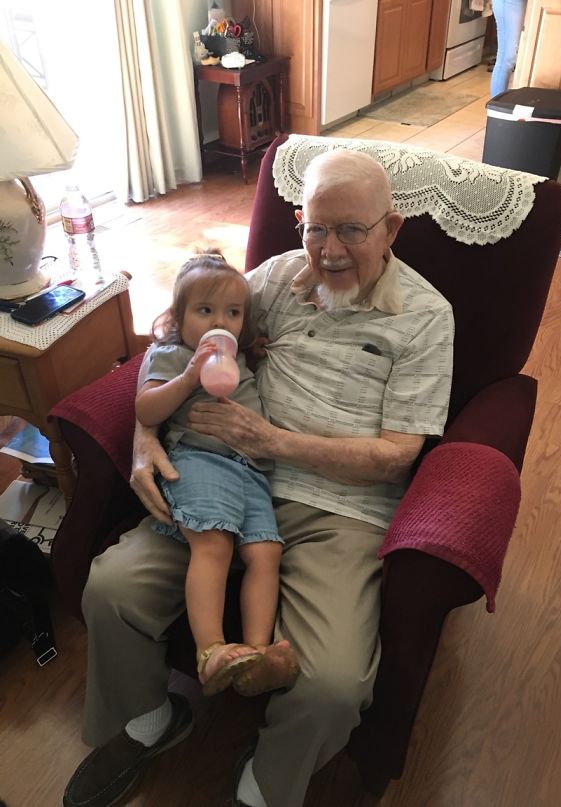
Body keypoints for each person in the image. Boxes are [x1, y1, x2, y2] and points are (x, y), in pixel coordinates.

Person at [63, 148, 454, 807]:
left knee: (331, 682)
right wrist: (142, 437)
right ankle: (150, 720)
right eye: (314, 227)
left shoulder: (424, 317)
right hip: (221, 476)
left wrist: (272, 438)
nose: (327, 252)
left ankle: (263, 784)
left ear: (390, 228)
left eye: (350, 231)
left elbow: (396, 454)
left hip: (339, 507)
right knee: (112, 587)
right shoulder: (272, 280)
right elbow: (184, 346)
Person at [134, 253, 299, 697]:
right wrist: (188, 378)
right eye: (204, 311)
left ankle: (255, 655)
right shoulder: (172, 355)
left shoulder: (239, 357)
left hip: (252, 471)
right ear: (177, 317)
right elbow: (146, 409)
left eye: (232, 313)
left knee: (265, 555)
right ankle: (210, 652)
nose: (218, 322)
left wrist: (253, 351)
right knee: (214, 544)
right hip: (200, 460)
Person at [490, 0, 528, 97]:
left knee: (507, 59)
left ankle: (498, 106)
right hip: (510, 2)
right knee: (506, 59)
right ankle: (496, 108)